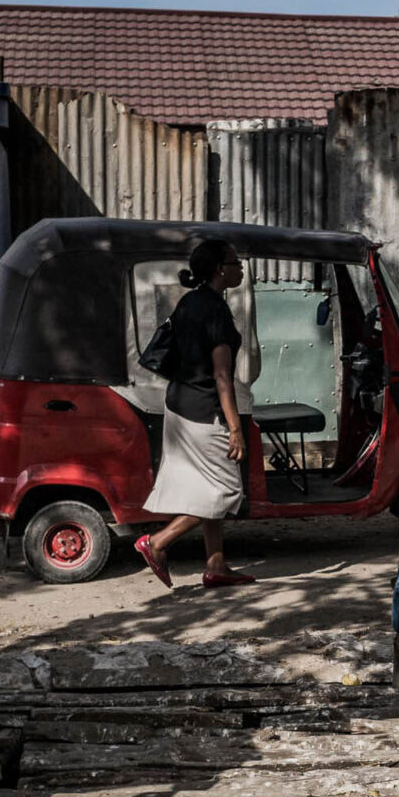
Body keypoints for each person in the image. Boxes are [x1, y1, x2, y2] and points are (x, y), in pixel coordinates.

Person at [136, 239, 254, 588]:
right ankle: (157, 543)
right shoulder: (215, 310)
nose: (240, 267)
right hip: (204, 410)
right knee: (226, 492)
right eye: (235, 261)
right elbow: (221, 375)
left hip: (179, 405)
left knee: (207, 487)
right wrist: (235, 428)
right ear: (220, 268)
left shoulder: (189, 302)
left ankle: (216, 566)